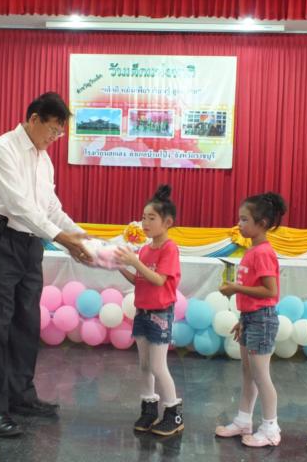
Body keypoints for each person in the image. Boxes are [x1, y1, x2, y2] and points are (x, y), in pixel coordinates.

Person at [0, 92, 92, 437]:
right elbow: (19, 206)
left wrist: (81, 237)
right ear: (34, 119)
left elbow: (50, 208)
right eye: (52, 130)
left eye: (60, 133)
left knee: (26, 323)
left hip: (29, 244)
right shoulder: (2, 150)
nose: (54, 138)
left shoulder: (44, 160)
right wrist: (62, 238)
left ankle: (21, 396)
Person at [215, 192, 286, 447]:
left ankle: (271, 428)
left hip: (262, 320)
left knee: (261, 376)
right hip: (251, 318)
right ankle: (244, 420)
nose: (239, 224)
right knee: (248, 372)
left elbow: (270, 291)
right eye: (240, 219)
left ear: (262, 223)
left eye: (244, 220)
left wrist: (236, 288)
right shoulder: (252, 250)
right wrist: (243, 318)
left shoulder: (263, 252)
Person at [115, 184, 183, 436]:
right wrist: (120, 266)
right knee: (145, 365)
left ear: (167, 222)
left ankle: (173, 413)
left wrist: (134, 261)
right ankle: (149, 409)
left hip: (160, 314)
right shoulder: (145, 249)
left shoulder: (169, 248)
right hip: (142, 311)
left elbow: (158, 280)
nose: (144, 223)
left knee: (158, 366)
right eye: (143, 217)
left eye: (151, 218)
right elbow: (140, 280)